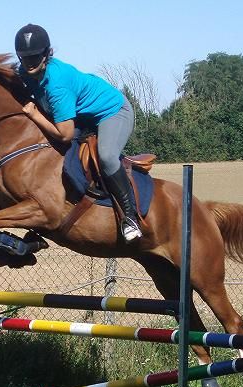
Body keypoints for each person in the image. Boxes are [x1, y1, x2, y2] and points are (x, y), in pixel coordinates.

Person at [14, 23, 142, 243]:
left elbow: (64, 134)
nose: (29, 62)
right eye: (24, 57)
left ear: (47, 54)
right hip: (83, 115)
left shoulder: (57, 84)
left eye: (35, 57)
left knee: (107, 157)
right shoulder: (24, 73)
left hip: (112, 111)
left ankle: (130, 217)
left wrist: (35, 115)